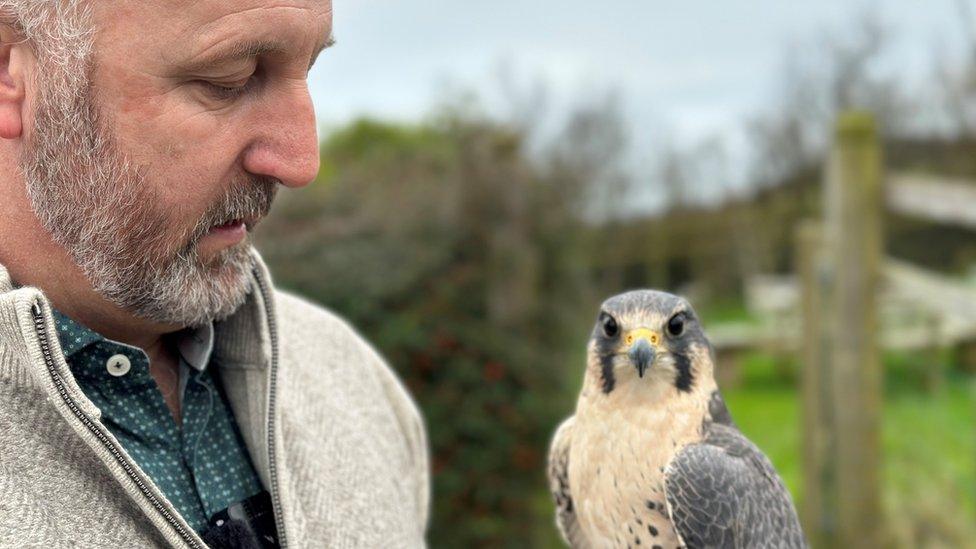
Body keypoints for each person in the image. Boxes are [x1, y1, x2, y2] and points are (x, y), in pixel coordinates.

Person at [0, 1, 429, 547]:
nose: (301, 162)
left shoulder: (350, 379)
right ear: (10, 67)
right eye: (228, 81)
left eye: (308, 69)